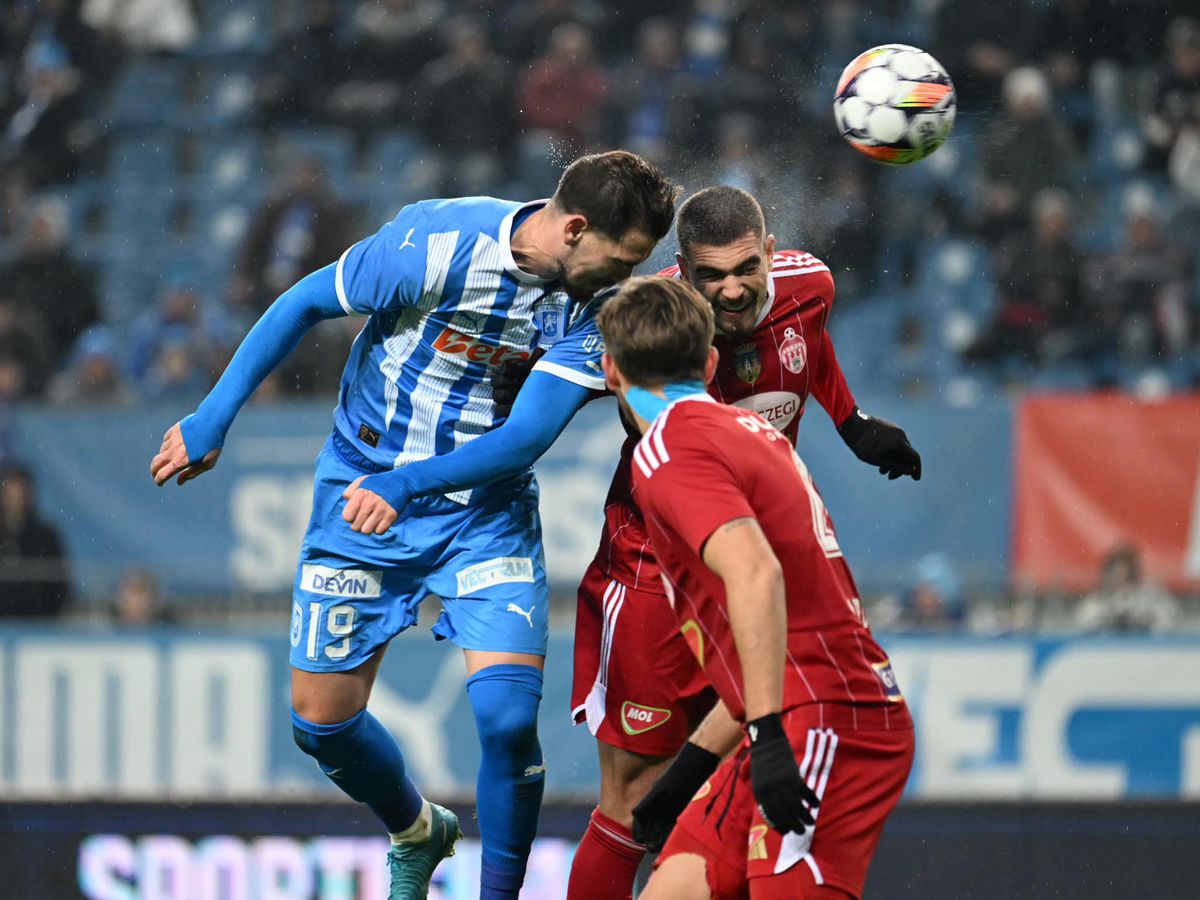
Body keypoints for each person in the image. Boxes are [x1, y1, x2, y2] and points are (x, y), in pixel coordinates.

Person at [339, 186, 920, 900]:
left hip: (806, 693)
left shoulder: (679, 446)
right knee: (647, 805)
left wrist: (850, 418)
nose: (732, 291)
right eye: (712, 277)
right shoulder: (690, 371)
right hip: (665, 587)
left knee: (682, 807)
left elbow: (756, 576)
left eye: (748, 270)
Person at [149, 150, 678, 900]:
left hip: (484, 511)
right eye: (621, 257)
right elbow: (304, 301)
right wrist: (213, 416)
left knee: (506, 722)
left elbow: (524, 438)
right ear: (575, 229)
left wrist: (406, 484)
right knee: (321, 724)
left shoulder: (599, 306)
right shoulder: (435, 243)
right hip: (361, 489)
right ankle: (416, 827)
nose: (627, 274)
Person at [596, 275, 914, 900]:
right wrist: (689, 769)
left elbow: (756, 573)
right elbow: (772, 639)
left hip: (822, 720)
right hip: (803, 707)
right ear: (710, 364)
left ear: (610, 371)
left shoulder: (667, 450)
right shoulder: (753, 433)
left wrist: (768, 736)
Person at [0, 462, 72, 617]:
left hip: (37, 624)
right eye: (9, 494)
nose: (15, 501)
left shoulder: (46, 537)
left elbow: (59, 586)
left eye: (20, 494)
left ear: (29, 495)